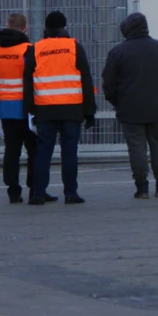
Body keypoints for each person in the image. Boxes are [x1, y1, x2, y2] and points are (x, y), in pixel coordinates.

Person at [102, 12, 158, 199]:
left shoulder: (118, 52)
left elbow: (108, 83)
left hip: (129, 109)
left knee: (136, 148)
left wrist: (116, 102)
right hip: (154, 108)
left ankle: (141, 187)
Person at [23, 11, 97, 205]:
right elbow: (86, 81)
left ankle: (38, 193)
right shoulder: (74, 47)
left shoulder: (35, 49)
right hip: (72, 109)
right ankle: (71, 193)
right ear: (64, 26)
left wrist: (29, 109)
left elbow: (28, 82)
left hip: (45, 109)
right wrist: (89, 111)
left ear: (45, 28)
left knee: (43, 152)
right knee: (70, 151)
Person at [0, 13, 37, 203]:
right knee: (34, 150)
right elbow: (35, 81)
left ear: (7, 25)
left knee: (11, 151)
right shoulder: (29, 50)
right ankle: (35, 190)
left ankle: (13, 191)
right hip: (28, 111)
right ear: (25, 29)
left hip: (5, 110)